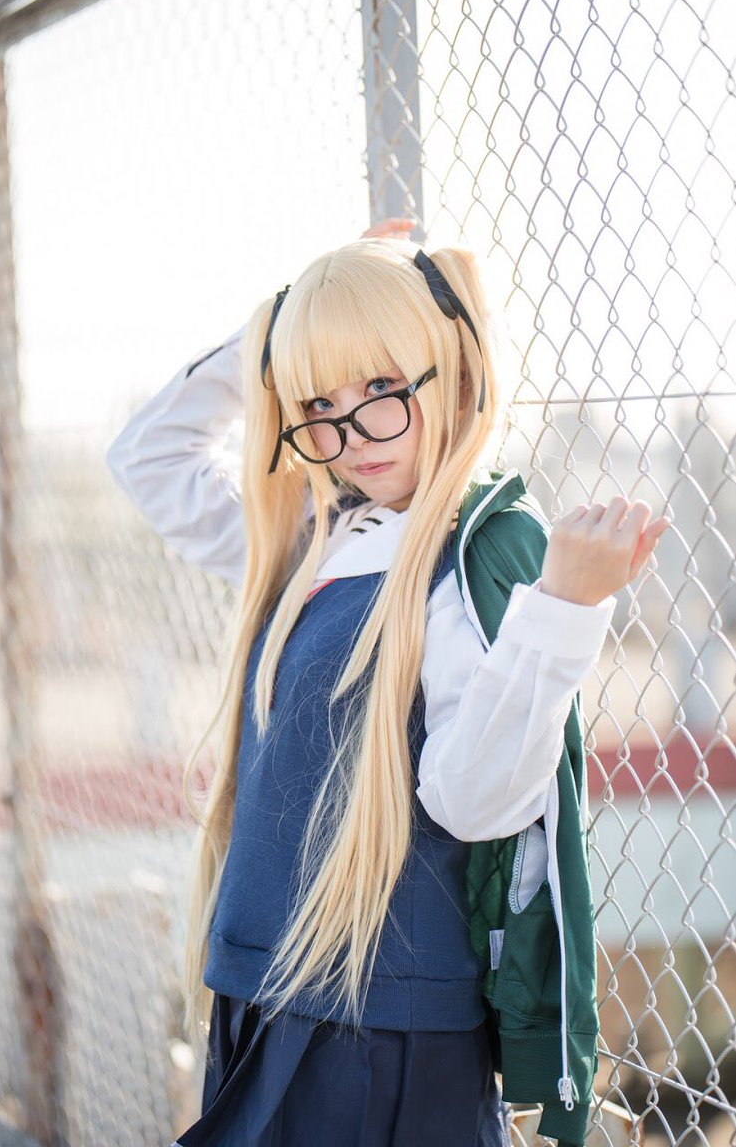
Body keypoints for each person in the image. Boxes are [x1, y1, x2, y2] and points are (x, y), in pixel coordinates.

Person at [106, 220, 670, 1146]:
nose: (351, 433)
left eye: (379, 387)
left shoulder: (474, 548)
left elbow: (474, 801)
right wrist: (287, 324)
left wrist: (563, 610)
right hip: (260, 986)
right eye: (318, 402)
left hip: (380, 1025)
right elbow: (148, 457)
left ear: (451, 368)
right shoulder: (321, 534)